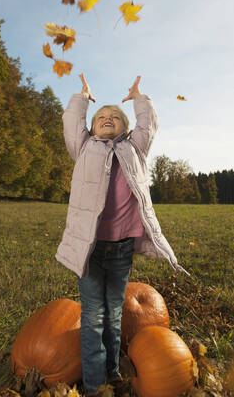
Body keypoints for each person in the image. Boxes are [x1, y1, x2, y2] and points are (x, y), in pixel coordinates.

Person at [55, 74, 189, 396]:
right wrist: (83, 99)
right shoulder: (84, 147)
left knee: (114, 313)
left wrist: (139, 98)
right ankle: (92, 384)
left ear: (125, 127)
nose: (107, 120)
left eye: (114, 117)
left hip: (121, 249)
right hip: (89, 249)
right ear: (93, 125)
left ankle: (112, 372)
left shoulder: (135, 149)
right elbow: (72, 124)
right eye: (101, 117)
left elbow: (149, 126)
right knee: (92, 317)